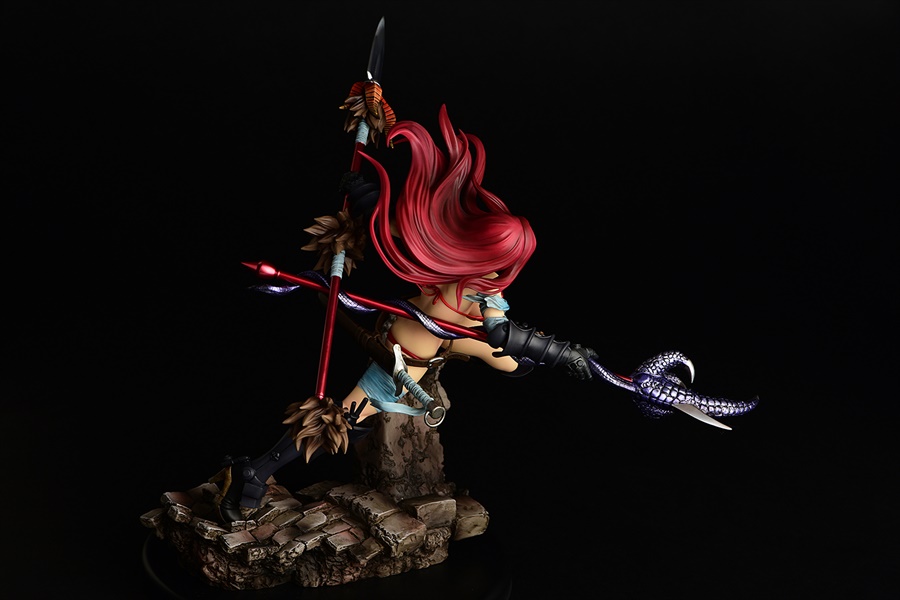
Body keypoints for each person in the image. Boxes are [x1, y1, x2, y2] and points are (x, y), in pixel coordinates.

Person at [213, 104, 599, 523]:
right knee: (342, 421)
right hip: (406, 354)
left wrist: (559, 353)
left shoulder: (473, 271)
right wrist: (560, 353)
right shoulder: (471, 272)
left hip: (431, 341)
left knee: (503, 362)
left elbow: (498, 332)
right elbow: (500, 332)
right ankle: (253, 472)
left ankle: (254, 472)